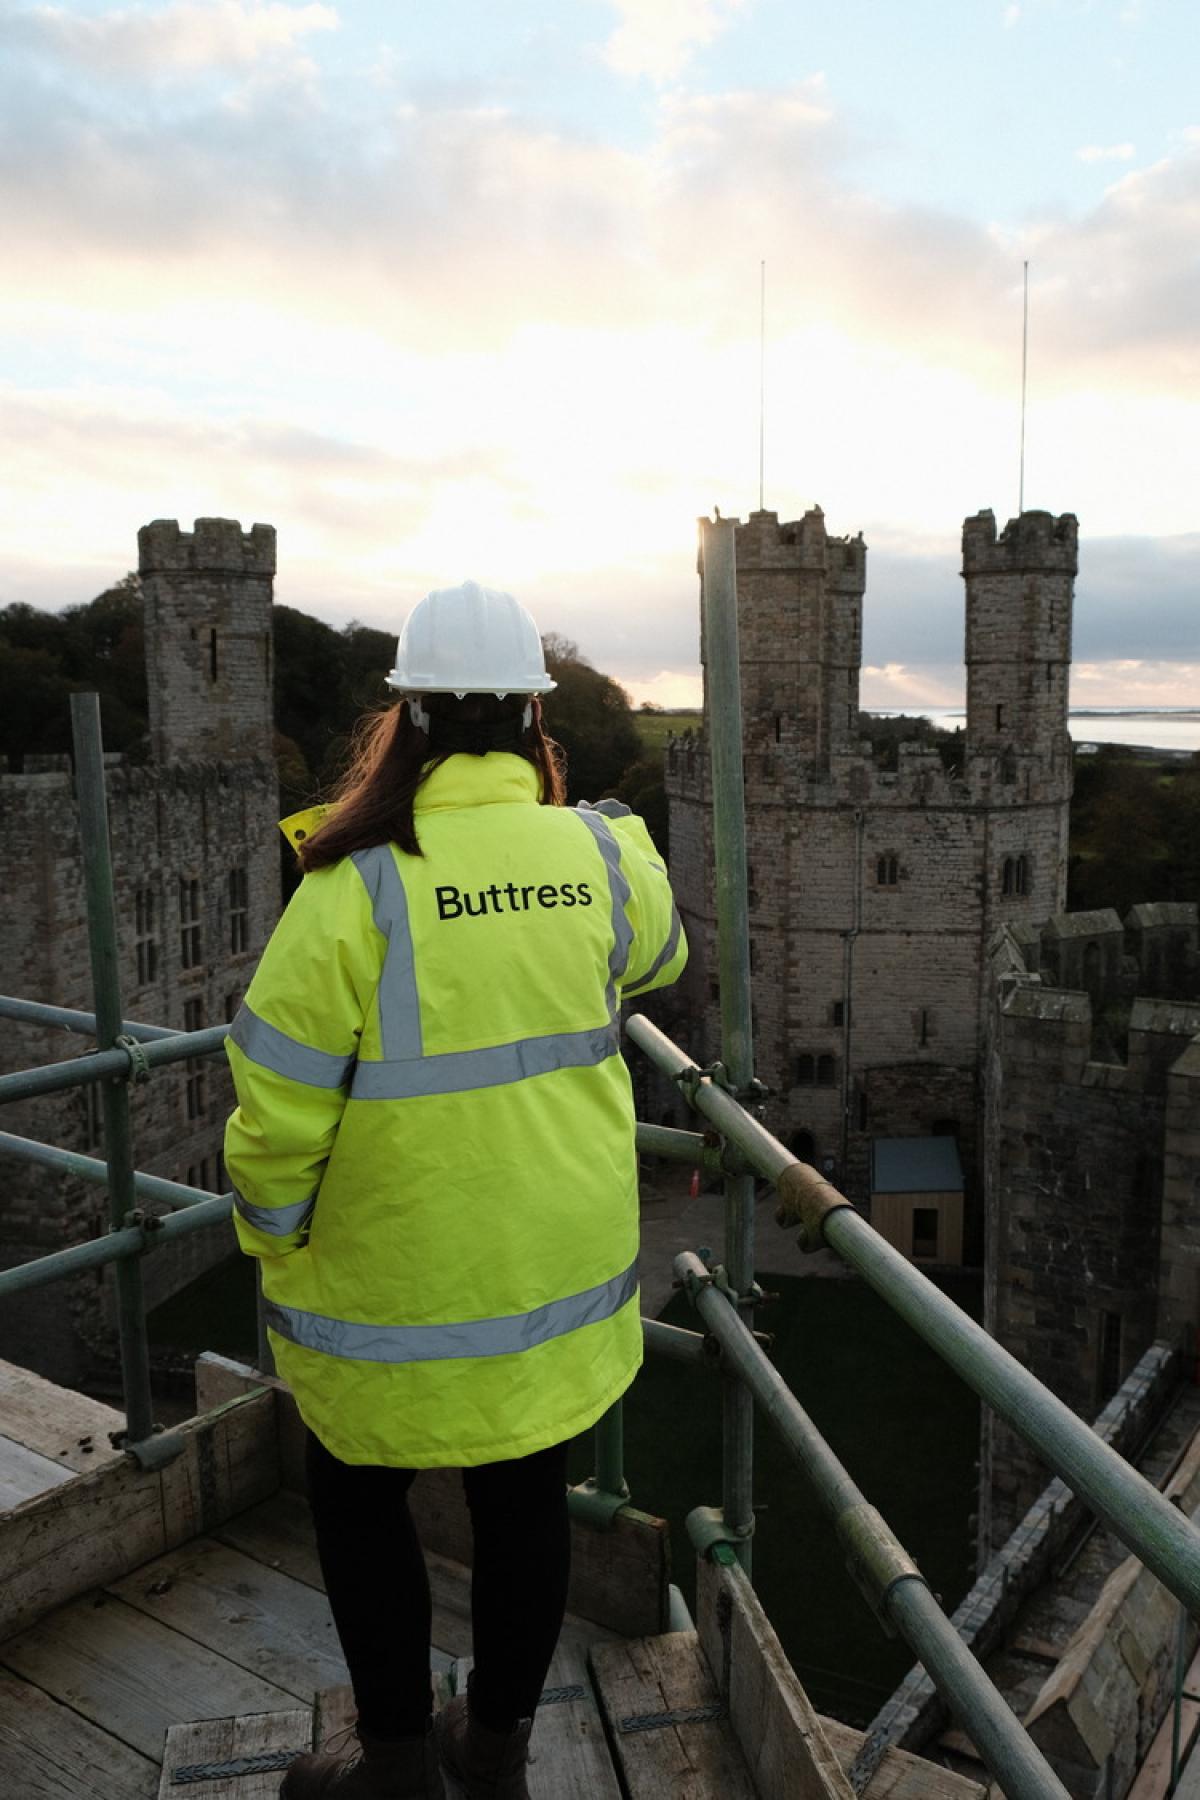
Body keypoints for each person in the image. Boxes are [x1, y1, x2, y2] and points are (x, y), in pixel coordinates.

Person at [223, 581, 687, 1800]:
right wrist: (588, 824)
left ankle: (390, 1770)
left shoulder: (349, 883)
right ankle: (494, 1754)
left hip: (389, 1282)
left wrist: (272, 1237)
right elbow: (663, 954)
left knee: (361, 1498)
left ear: (407, 716)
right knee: (526, 1502)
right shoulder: (599, 850)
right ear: (536, 707)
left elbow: (276, 1105)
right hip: (548, 1277)